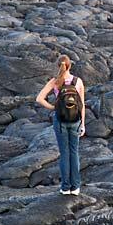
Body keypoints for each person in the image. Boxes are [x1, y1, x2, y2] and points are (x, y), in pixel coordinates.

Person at [36, 54, 86, 195]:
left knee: (64, 153)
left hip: (60, 120)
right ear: (69, 66)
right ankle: (75, 188)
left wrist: (53, 107)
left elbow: (39, 99)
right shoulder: (78, 81)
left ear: (58, 66)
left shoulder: (55, 81)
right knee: (74, 153)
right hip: (75, 120)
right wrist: (82, 124)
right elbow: (82, 105)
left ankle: (65, 188)